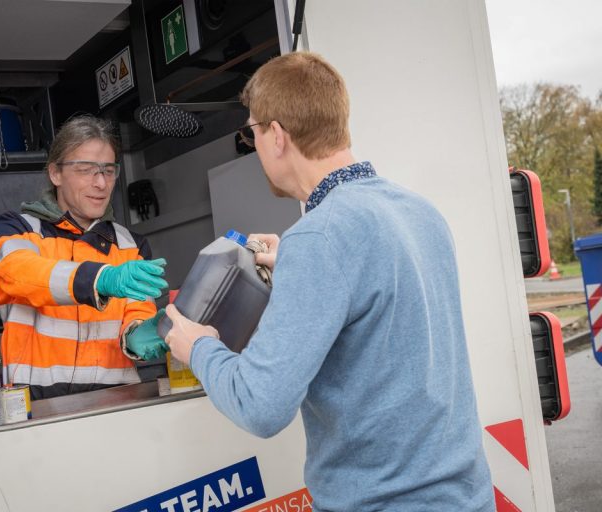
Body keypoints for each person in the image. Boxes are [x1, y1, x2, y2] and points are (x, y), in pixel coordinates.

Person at [164, 53, 495, 511]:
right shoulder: (416, 210)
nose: (254, 145)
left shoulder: (319, 237)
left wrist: (197, 346)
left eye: (252, 133)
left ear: (276, 135)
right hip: (466, 496)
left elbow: (260, 405)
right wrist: (296, 266)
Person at [0, 115, 169, 400]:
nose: (101, 183)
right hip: (34, 404)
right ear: (55, 173)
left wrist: (138, 335)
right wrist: (99, 279)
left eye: (109, 171)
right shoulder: (17, 229)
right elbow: (19, 276)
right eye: (86, 170)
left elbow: (137, 313)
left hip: (118, 402)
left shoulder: (131, 245)